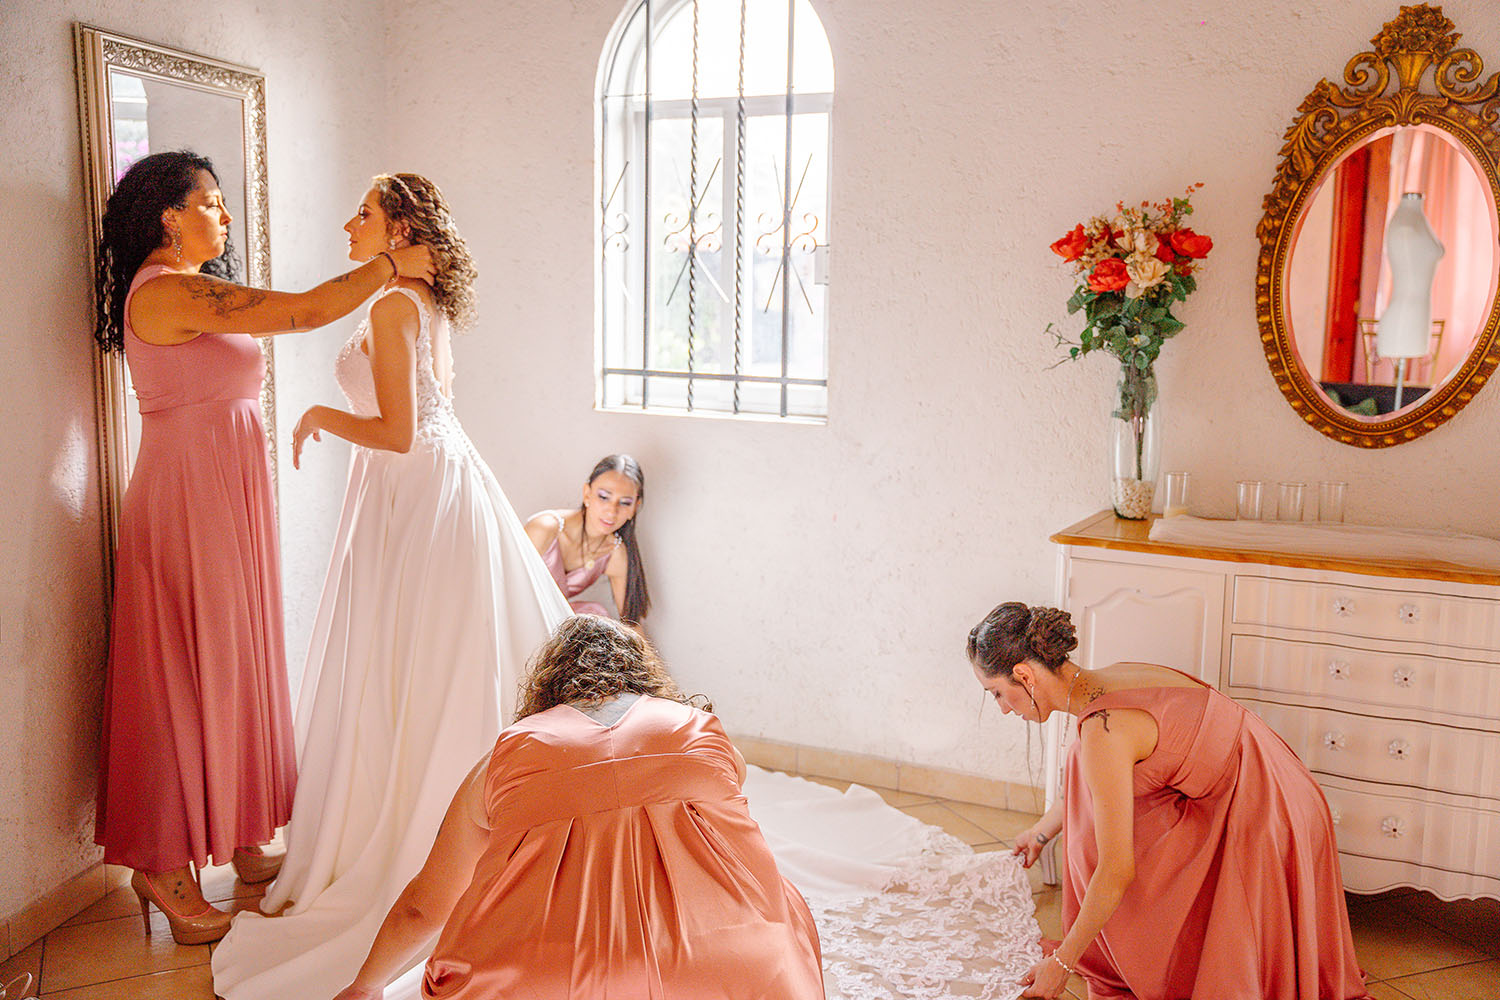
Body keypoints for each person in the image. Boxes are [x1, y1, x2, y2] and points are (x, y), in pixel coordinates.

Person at [210, 173, 572, 999]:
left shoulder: (393, 306)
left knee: (416, 663)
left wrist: (318, 417)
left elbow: (400, 432)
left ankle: (416, 845)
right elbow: (429, 418)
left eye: (364, 213)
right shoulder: (419, 300)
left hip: (415, 489)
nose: (350, 223)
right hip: (429, 488)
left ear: (399, 227)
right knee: (428, 661)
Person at [92, 150, 434, 945]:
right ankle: (162, 865)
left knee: (236, 657)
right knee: (181, 671)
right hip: (186, 498)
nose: (225, 215)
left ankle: (243, 831)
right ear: (170, 215)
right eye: (211, 202)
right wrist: (391, 263)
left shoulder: (188, 285)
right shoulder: (164, 290)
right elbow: (306, 313)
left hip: (224, 492)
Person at [332, 615, 825, 1000]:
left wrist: (365, 985)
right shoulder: (701, 732)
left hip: (535, 980)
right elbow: (733, 832)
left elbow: (424, 907)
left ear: (549, 682)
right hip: (726, 964)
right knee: (788, 903)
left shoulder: (508, 754)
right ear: (641, 672)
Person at [968, 602, 1373, 1000]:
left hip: (1268, 813)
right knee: (1082, 761)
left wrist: (1063, 963)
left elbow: (1116, 869)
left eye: (998, 693)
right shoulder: (1110, 679)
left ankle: (1158, 955)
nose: (1003, 709)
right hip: (1281, 782)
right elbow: (1096, 785)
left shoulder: (1104, 730)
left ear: (1024, 675)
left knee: (1106, 843)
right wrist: (1041, 833)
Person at [524, 454, 650, 623]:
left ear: (635, 507)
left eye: (625, 502)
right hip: (514, 616)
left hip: (552, 625)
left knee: (596, 615)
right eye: (604, 497)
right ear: (587, 494)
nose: (612, 511)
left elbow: (631, 624)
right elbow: (504, 586)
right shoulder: (544, 528)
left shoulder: (614, 553)